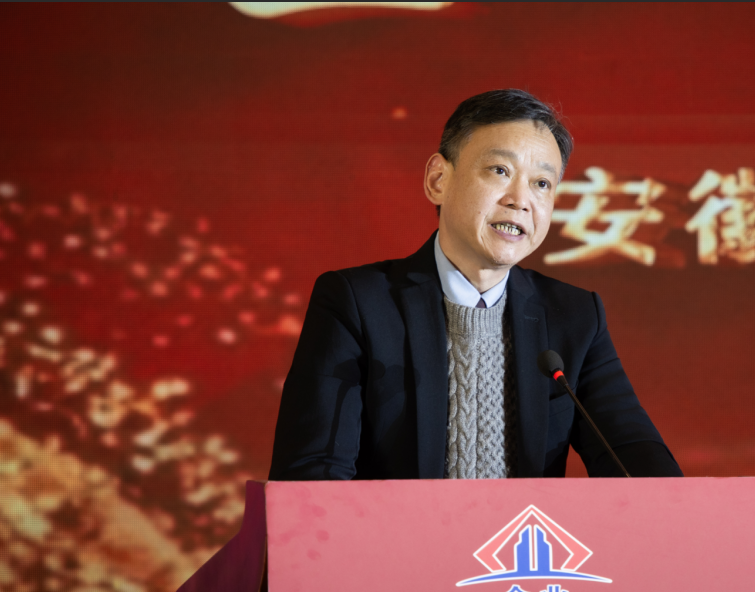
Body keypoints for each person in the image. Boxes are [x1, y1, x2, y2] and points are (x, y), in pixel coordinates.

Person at [267, 89, 682, 482]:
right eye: (500, 171)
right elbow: (313, 474)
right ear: (438, 179)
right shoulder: (357, 304)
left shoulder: (574, 316)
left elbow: (632, 451)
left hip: (523, 539)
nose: (520, 200)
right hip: (397, 535)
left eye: (541, 183)